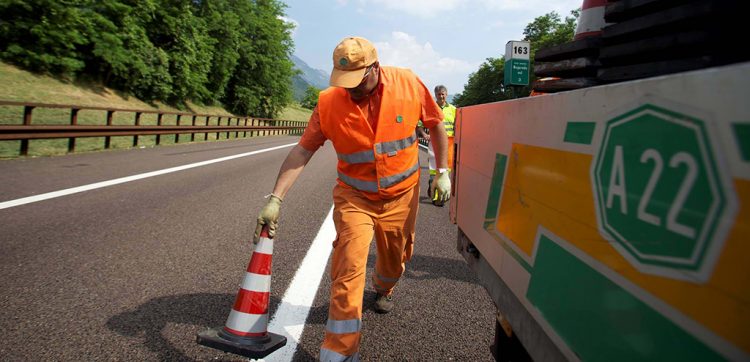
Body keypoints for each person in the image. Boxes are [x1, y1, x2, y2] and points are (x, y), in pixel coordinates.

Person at [253, 36, 450, 361]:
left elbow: (436, 124)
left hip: (401, 196)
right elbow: (304, 149)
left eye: (358, 81)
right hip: (354, 197)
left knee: (394, 260)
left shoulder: (408, 83)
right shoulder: (330, 102)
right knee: (348, 266)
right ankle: (339, 353)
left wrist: (441, 170)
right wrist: (276, 198)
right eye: (345, 82)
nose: (351, 89)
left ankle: (385, 287)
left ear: (375, 67)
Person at [423, 85, 457, 206]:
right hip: (434, 143)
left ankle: (437, 191)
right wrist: (423, 134)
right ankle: (437, 198)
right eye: (438, 94)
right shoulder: (431, 108)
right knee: (434, 170)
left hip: (449, 144)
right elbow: (420, 124)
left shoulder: (453, 109)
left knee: (445, 170)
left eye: (443, 94)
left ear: (446, 94)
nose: (441, 96)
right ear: (435, 95)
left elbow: (457, 126)